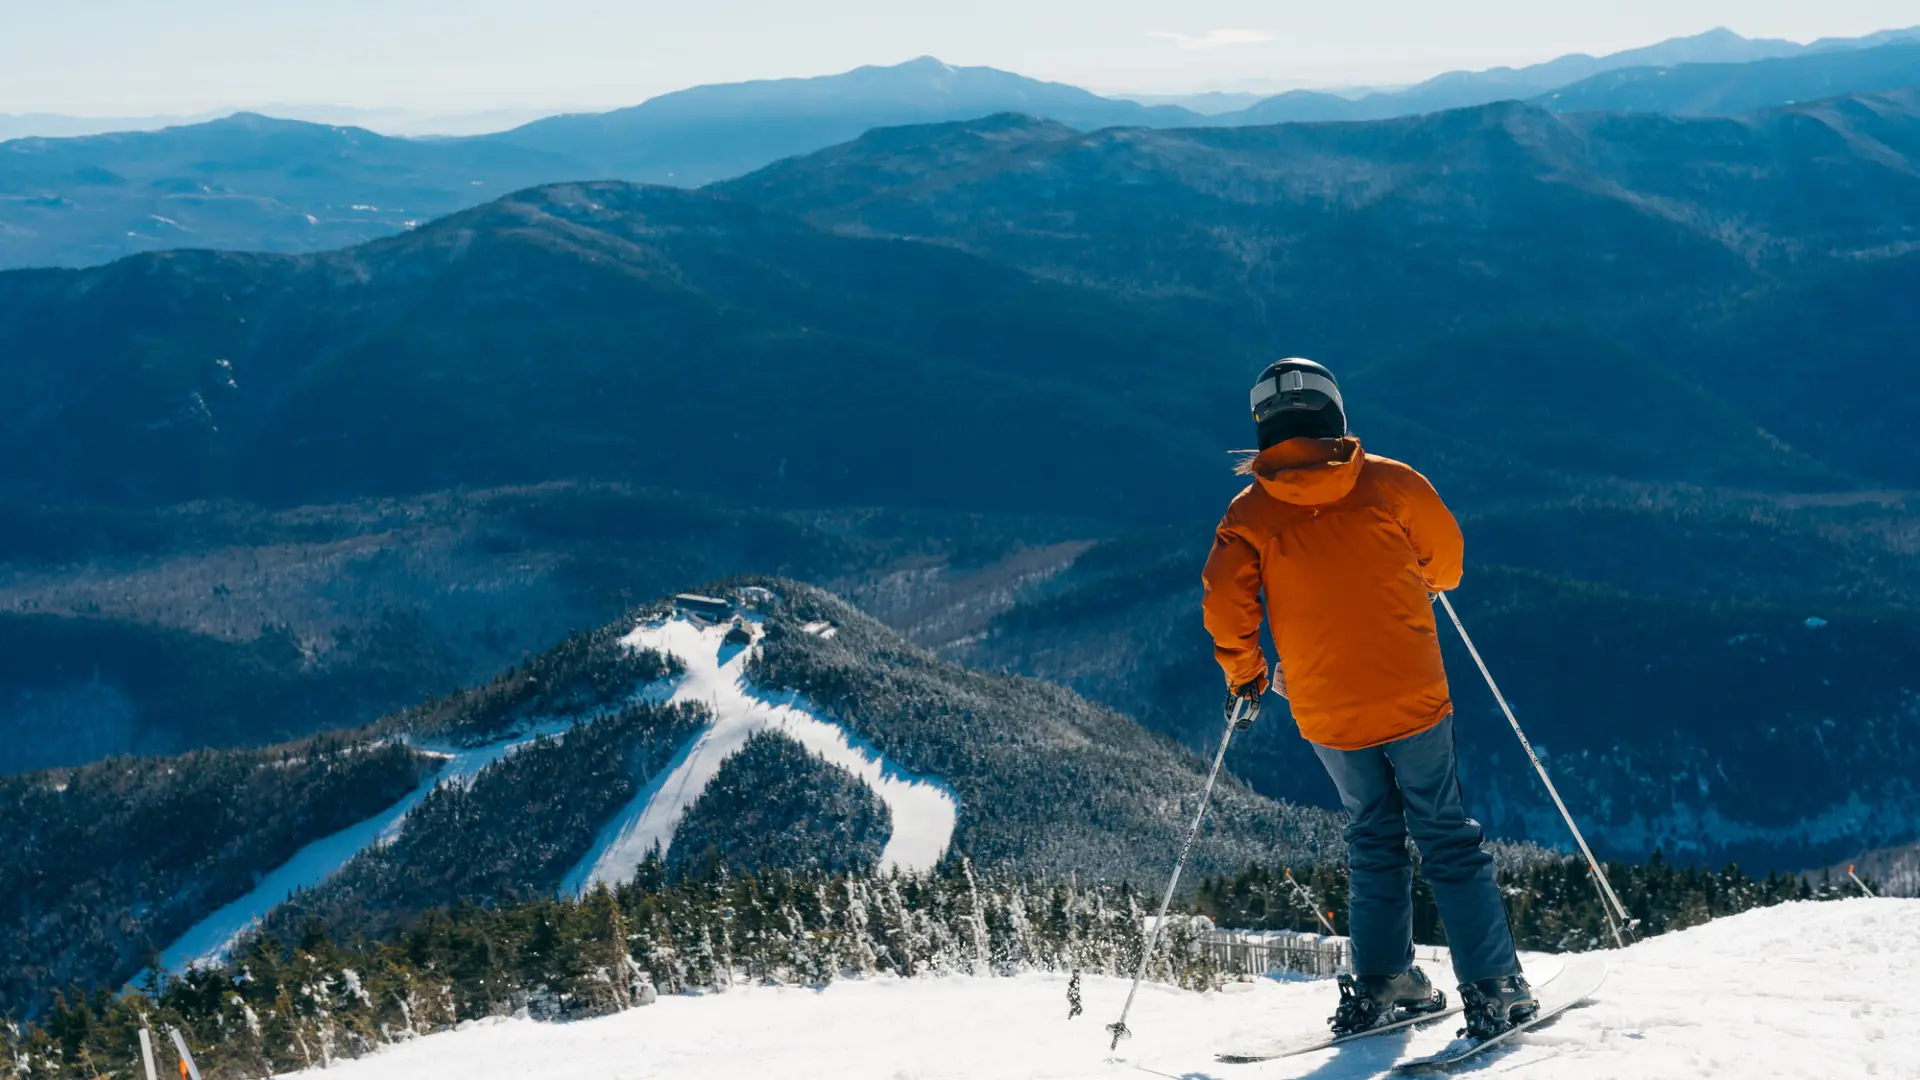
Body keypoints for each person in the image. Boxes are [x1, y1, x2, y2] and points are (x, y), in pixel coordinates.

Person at [1200, 358, 1537, 1040]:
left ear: (1264, 428)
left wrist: (1247, 674)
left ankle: (1383, 984)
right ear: (1334, 413)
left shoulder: (1250, 514)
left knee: (1372, 835)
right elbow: (1447, 564)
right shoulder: (1390, 482)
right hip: (1412, 692)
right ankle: (1494, 988)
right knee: (1444, 834)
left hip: (1325, 707)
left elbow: (1224, 602)